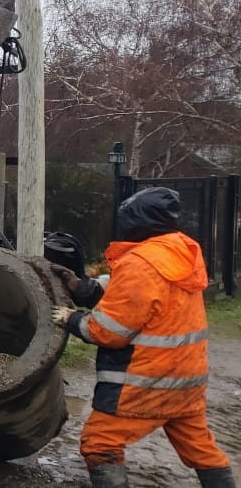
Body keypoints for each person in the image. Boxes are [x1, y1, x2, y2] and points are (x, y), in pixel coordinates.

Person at [49, 188, 234, 488]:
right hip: (186, 381)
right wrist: (87, 288)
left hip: (146, 381)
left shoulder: (140, 263)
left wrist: (71, 319)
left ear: (137, 221)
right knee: (201, 448)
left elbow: (108, 332)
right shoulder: (180, 253)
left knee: (100, 443)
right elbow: (140, 295)